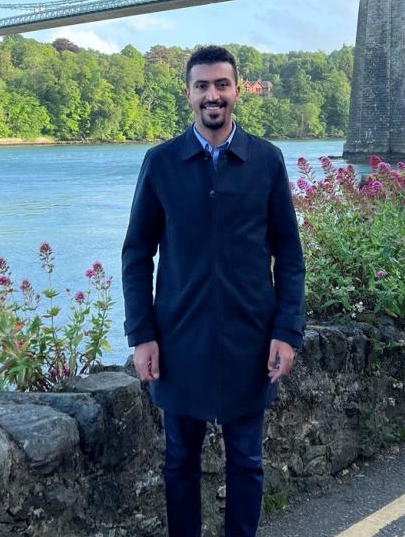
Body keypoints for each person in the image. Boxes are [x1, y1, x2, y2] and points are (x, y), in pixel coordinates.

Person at [122, 45, 305, 537]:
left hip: (251, 340)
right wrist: (142, 335)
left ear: (237, 91)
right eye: (202, 86)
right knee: (180, 463)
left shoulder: (266, 160)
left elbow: (289, 253)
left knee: (247, 462)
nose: (213, 95)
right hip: (179, 341)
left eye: (221, 85)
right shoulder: (161, 163)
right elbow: (137, 253)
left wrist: (287, 331)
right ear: (188, 95)